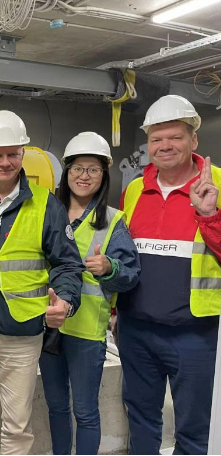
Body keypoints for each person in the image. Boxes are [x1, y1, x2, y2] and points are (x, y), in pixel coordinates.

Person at [0, 110, 85, 455]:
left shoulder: (47, 205)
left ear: (23, 152)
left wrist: (65, 300)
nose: (5, 162)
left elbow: (68, 263)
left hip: (24, 329)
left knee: (17, 424)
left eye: (12, 153)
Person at [118, 94, 221, 454]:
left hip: (195, 334)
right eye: (156, 138)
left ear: (194, 140)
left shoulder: (218, 186)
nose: (165, 146)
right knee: (141, 419)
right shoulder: (134, 190)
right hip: (136, 330)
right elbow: (124, 257)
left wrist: (209, 216)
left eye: (175, 137)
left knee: (194, 428)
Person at [38, 132, 140, 455]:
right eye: (78, 168)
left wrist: (109, 267)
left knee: (85, 411)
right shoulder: (46, 211)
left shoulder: (112, 221)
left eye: (93, 169)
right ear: (66, 172)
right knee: (56, 407)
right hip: (48, 326)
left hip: (86, 332)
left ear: (104, 174)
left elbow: (131, 275)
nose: (84, 176)